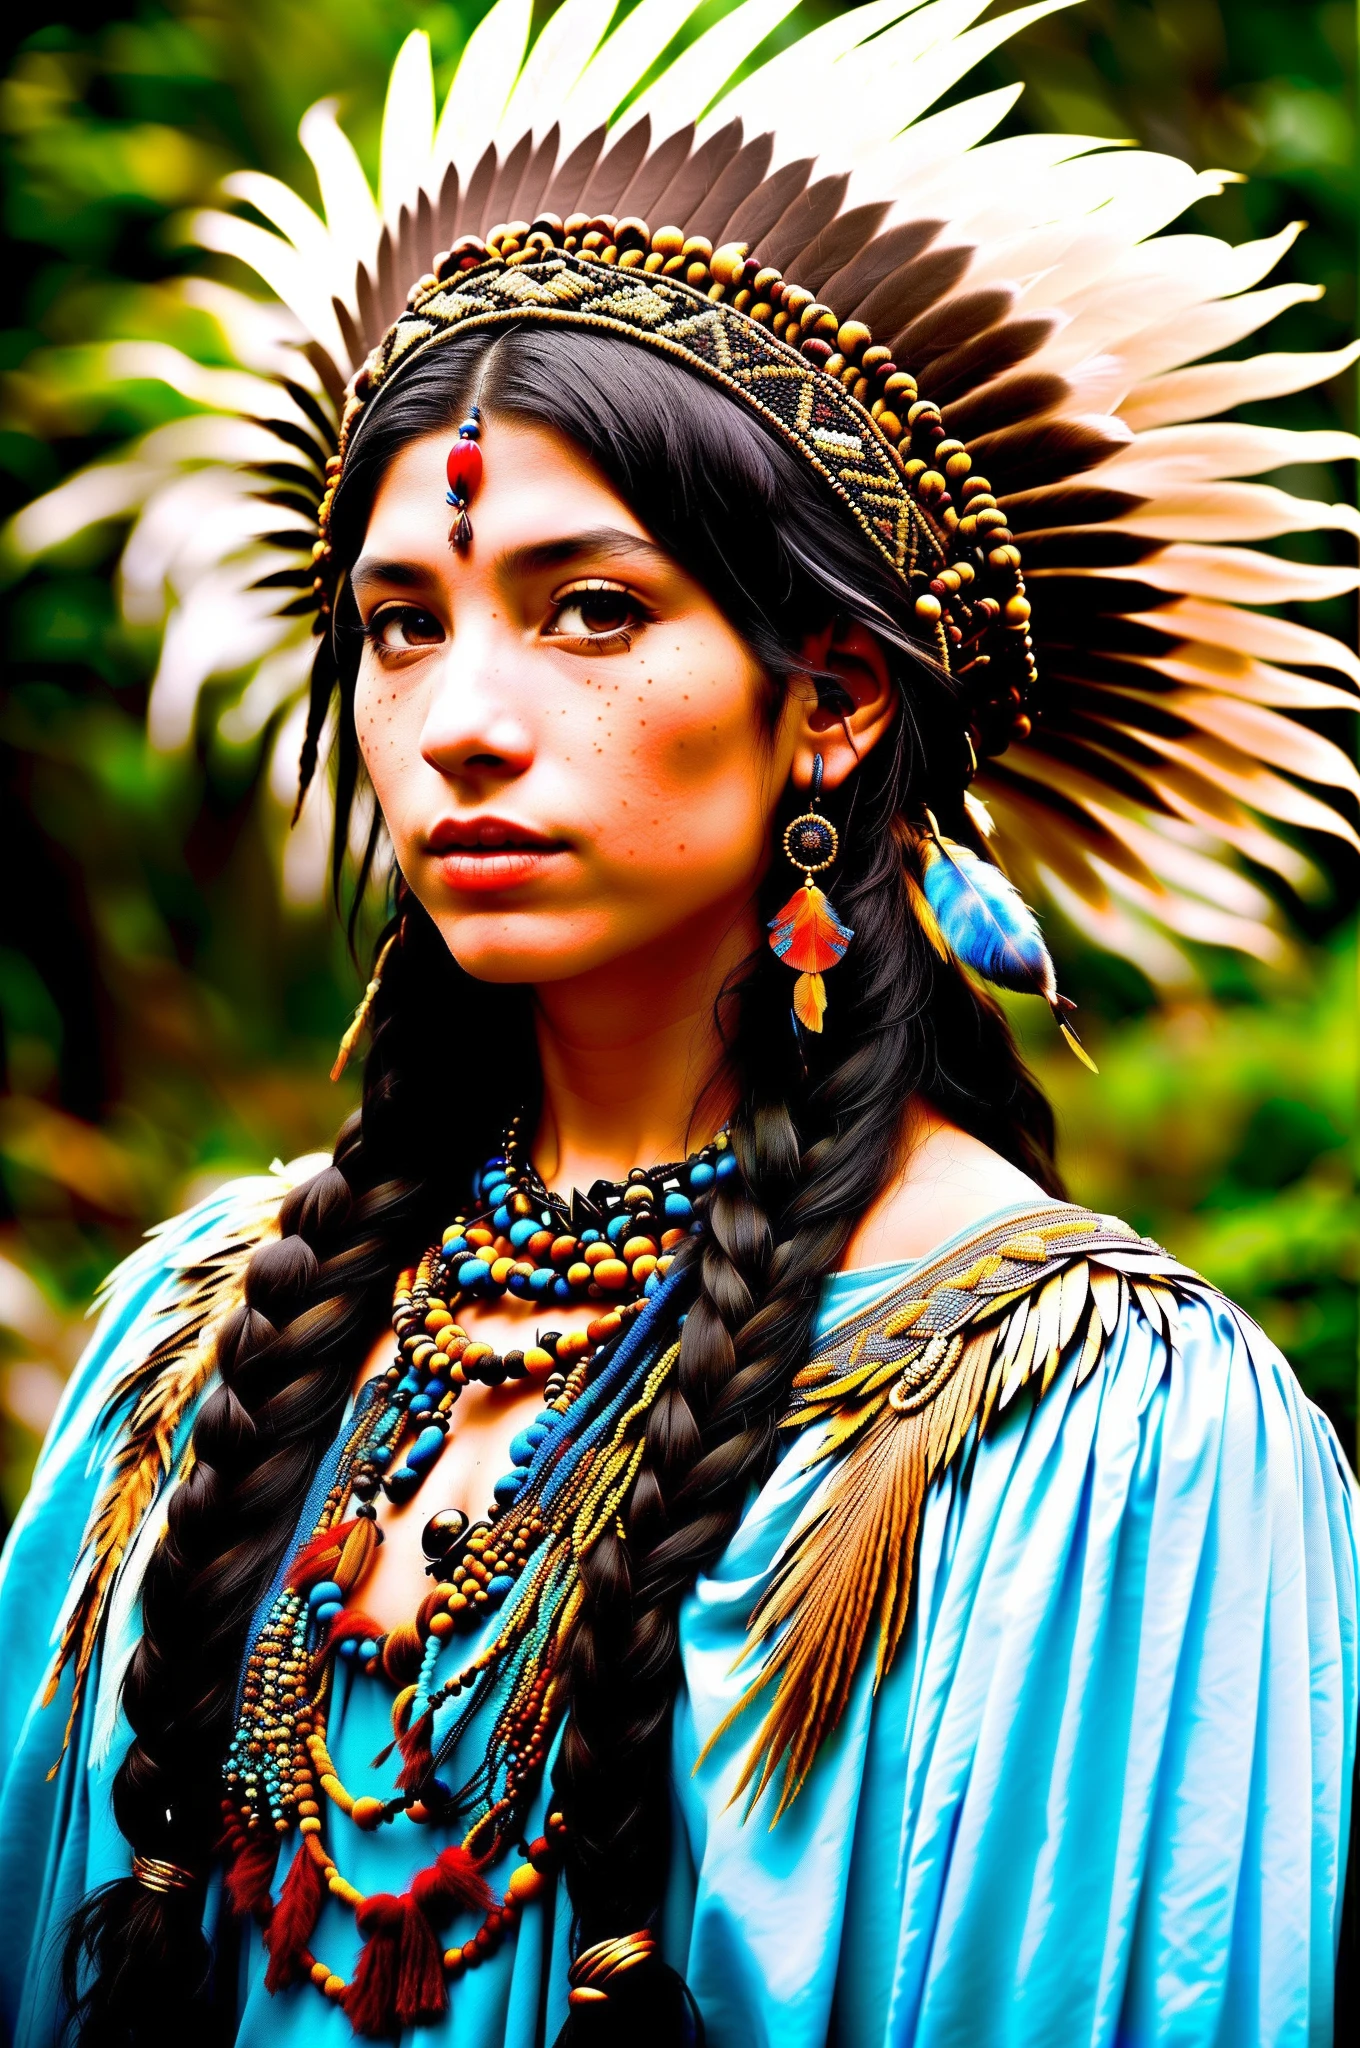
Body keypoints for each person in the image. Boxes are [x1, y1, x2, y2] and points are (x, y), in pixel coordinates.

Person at [1, 5, 1357, 2045]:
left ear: (831, 697)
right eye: (399, 621)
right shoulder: (187, 1346)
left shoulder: (1104, 1448)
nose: (457, 717)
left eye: (591, 608)